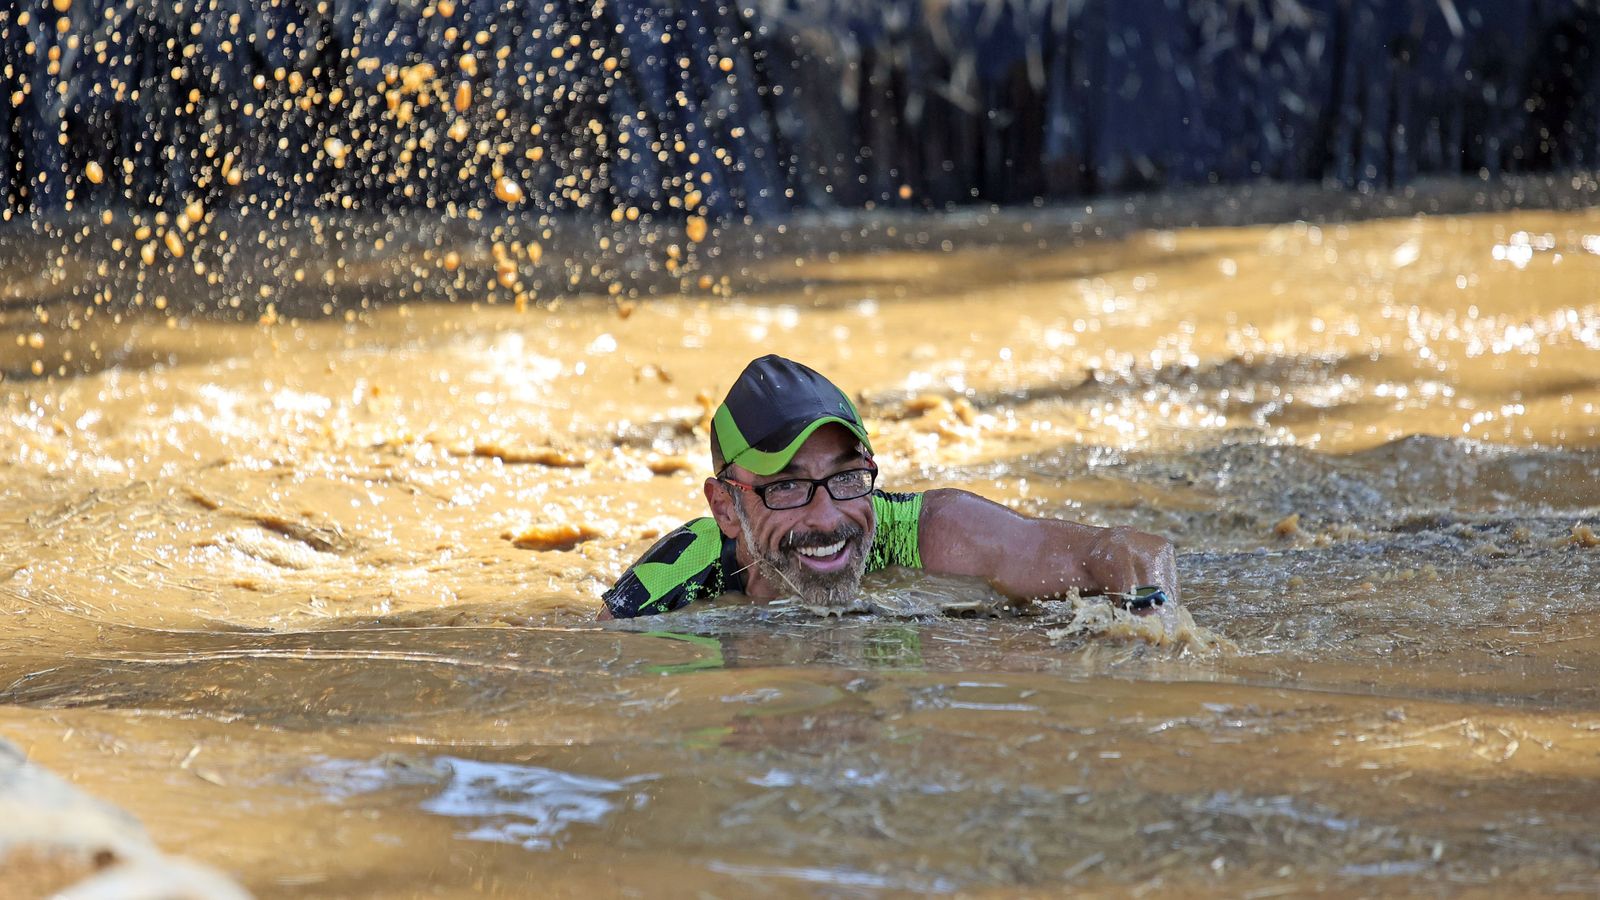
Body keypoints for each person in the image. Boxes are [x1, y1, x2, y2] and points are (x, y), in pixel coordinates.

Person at [601, 355, 1178, 619]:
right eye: (786, 487)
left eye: (846, 479)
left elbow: (1126, 550)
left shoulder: (925, 533)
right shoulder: (678, 577)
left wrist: (1151, 623)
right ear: (726, 506)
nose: (828, 519)